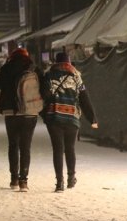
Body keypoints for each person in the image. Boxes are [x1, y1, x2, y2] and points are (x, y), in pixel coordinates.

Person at [41, 52, 98, 192]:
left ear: (55, 62)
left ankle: (59, 182)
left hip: (54, 117)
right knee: (70, 148)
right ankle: (71, 178)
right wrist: (92, 119)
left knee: (58, 150)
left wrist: (43, 113)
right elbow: (85, 99)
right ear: (69, 63)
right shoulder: (76, 77)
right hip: (72, 117)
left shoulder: (49, 76)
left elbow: (44, 96)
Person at [0, 48, 45, 192]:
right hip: (29, 111)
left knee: (13, 145)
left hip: (11, 112)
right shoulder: (34, 68)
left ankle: (14, 179)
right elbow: (44, 86)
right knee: (25, 147)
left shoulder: (7, 67)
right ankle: (24, 181)